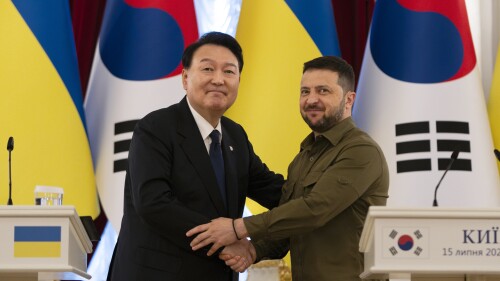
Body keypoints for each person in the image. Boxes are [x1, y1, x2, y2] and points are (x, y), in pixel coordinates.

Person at [187, 55, 390, 281]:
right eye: (305, 91)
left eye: (323, 91)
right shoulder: (303, 157)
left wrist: (238, 227)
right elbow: (293, 224)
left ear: (349, 99)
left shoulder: (360, 150)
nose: (311, 100)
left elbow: (314, 210)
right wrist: (254, 250)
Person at [106, 31, 285, 281]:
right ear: (185, 78)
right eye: (208, 69)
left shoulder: (236, 136)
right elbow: (153, 202)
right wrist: (226, 241)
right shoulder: (155, 128)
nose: (219, 80)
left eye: (229, 71)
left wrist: (323, 197)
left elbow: (275, 192)